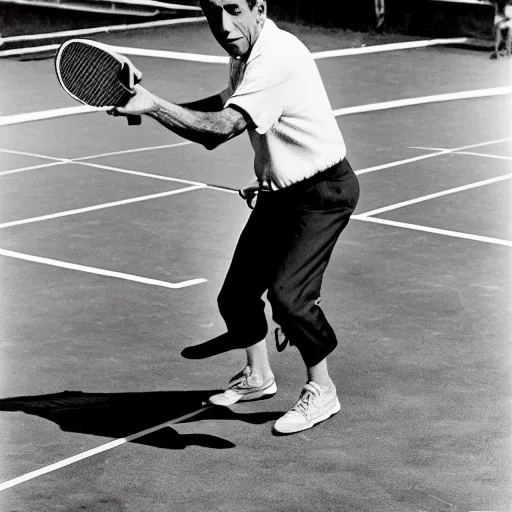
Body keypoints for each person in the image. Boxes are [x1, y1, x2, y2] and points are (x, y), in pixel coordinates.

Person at [109, 0, 360, 435]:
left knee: (289, 298)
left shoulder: (276, 56)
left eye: (233, 10)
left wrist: (153, 106)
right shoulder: (244, 56)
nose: (223, 26)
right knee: (236, 296)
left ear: (259, 8)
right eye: (212, 13)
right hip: (280, 192)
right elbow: (223, 104)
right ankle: (259, 377)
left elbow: (221, 128)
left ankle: (323, 389)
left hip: (322, 193)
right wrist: (147, 104)